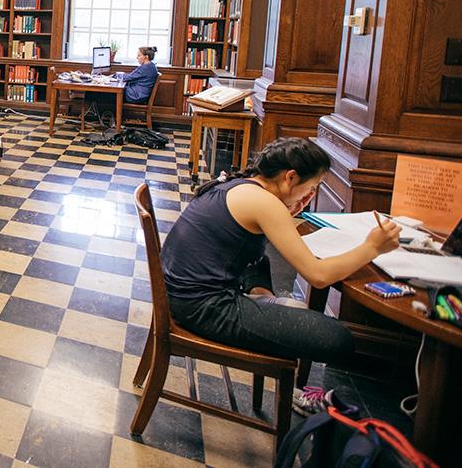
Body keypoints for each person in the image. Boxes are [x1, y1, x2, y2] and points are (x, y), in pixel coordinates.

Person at [161, 138, 400, 411]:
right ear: (290, 177)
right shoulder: (264, 202)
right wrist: (372, 247)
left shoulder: (242, 186)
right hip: (203, 308)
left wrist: (264, 295)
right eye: (309, 189)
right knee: (339, 339)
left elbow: (248, 254)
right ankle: (299, 388)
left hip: (185, 295)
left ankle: (271, 322)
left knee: (271, 281)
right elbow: (318, 275)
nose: (307, 198)